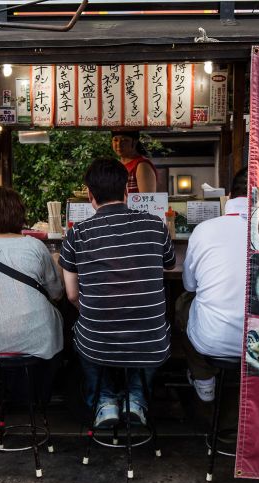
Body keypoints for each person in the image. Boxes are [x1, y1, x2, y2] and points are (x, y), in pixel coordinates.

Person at [60, 158, 174, 428]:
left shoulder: (77, 235)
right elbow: (169, 264)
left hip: (98, 343)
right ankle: (136, 398)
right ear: (126, 192)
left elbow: (72, 295)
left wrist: (95, 312)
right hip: (151, 343)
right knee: (151, 332)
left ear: (90, 196)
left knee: (82, 332)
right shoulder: (155, 226)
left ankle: (105, 401)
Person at [0, 186, 63, 358]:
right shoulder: (35, 246)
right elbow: (57, 293)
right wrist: (57, 263)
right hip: (39, 339)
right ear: (20, 214)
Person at [177, 168, 248, 402]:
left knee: (183, 303)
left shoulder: (205, 229)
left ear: (229, 196)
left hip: (213, 341)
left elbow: (189, 285)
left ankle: (204, 378)